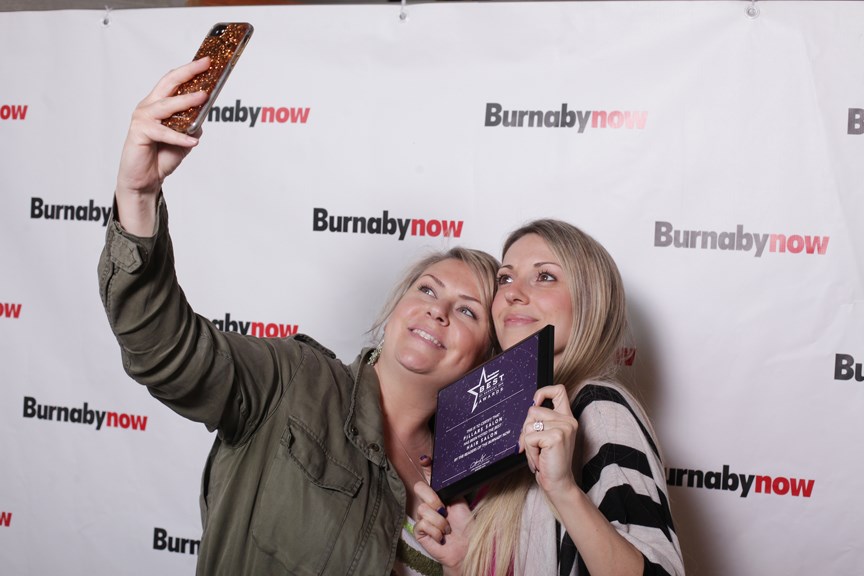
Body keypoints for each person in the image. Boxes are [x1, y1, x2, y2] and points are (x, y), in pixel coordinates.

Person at [97, 57, 498, 576]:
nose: (436, 310)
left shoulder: (473, 480)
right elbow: (164, 348)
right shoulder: (293, 381)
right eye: (426, 288)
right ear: (397, 308)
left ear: (486, 356)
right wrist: (139, 193)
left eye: (466, 310)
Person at [459, 219, 685, 575]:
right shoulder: (507, 420)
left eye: (545, 276)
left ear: (589, 299)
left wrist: (563, 489)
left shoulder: (598, 406)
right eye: (505, 278)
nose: (513, 292)